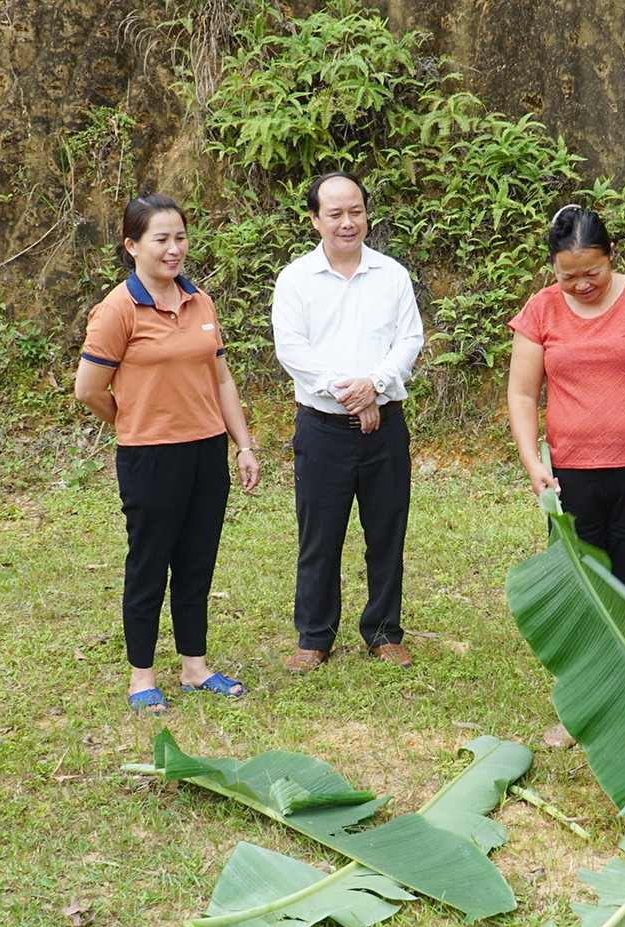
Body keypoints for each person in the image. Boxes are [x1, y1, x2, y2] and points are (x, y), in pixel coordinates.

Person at [75, 193, 260, 713]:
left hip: (206, 452)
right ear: (132, 246)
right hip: (150, 457)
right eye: (161, 239)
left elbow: (221, 377)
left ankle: (195, 667)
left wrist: (241, 444)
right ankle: (141, 677)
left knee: (197, 562)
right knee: (150, 566)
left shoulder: (200, 301)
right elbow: (88, 389)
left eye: (180, 237)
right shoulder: (118, 308)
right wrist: (134, 422)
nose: (174, 248)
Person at [272, 172, 424, 673]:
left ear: (366, 213)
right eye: (334, 214)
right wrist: (355, 394)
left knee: (387, 531)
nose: (347, 222)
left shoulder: (392, 275)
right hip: (322, 427)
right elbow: (293, 351)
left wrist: (375, 386)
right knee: (320, 535)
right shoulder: (295, 280)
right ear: (314, 219)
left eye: (355, 211)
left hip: (386, 428)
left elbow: (409, 341)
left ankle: (383, 631)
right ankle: (314, 636)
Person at [507, 204, 625, 597]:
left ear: (611, 252)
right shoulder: (541, 309)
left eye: (593, 272)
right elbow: (522, 394)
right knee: (581, 590)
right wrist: (531, 461)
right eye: (567, 277)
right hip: (569, 479)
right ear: (552, 267)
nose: (581, 285)